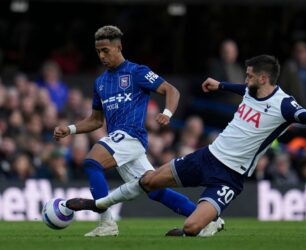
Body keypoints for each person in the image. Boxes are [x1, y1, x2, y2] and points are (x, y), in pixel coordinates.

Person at [65, 55, 306, 236]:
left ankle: (208, 224)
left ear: (263, 79)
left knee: (191, 228)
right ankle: (99, 205)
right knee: (149, 181)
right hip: (207, 157)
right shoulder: (252, 91)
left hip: (230, 176)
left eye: (249, 76)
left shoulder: (284, 105)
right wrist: (221, 85)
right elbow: (242, 91)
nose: (245, 79)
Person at [54, 25, 223, 237]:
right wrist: (69, 129)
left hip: (131, 135)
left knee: (91, 162)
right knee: (156, 191)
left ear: (119, 47)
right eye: (98, 51)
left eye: (106, 50)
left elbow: (171, 90)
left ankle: (107, 223)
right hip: (119, 140)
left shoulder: (136, 72)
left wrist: (168, 113)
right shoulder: (100, 82)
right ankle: (210, 219)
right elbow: (96, 121)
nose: (102, 55)